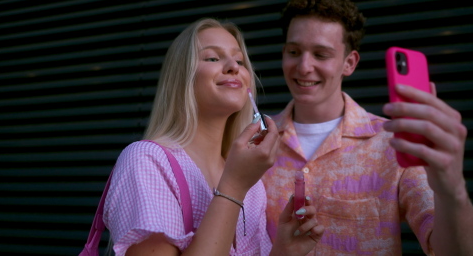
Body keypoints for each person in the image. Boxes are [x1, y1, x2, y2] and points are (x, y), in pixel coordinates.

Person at [262, 0, 473, 255]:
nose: (304, 66)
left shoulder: (391, 142)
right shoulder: (256, 142)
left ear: (349, 63)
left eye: (321, 55)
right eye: (294, 51)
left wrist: (453, 190)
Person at [103, 18, 324, 256]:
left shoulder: (253, 187)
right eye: (212, 58)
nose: (233, 67)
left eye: (240, 61)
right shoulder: (147, 161)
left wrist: (282, 252)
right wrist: (234, 186)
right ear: (182, 77)